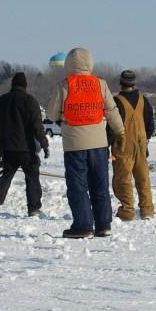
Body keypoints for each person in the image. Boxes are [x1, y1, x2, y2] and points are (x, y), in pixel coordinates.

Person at [46, 48, 124, 238]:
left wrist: (62, 117)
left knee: (78, 187)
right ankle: (103, 225)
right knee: (100, 185)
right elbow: (111, 110)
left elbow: (50, 114)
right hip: (99, 143)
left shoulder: (64, 85)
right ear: (90, 63)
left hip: (74, 144)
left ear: (68, 64)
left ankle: (83, 226)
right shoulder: (100, 84)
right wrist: (120, 130)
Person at [0, 72, 49, 217]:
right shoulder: (30, 101)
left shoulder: (3, 101)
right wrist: (44, 144)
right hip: (27, 149)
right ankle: (33, 208)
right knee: (32, 177)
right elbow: (37, 126)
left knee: (6, 176)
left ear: (13, 84)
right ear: (25, 85)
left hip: (8, 149)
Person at [108, 70, 155, 221]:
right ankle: (147, 210)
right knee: (143, 177)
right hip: (141, 143)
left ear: (121, 83)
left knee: (123, 178)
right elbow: (150, 125)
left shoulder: (117, 101)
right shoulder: (144, 100)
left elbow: (111, 126)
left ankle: (127, 211)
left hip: (123, 145)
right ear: (134, 83)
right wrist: (144, 139)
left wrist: (106, 144)